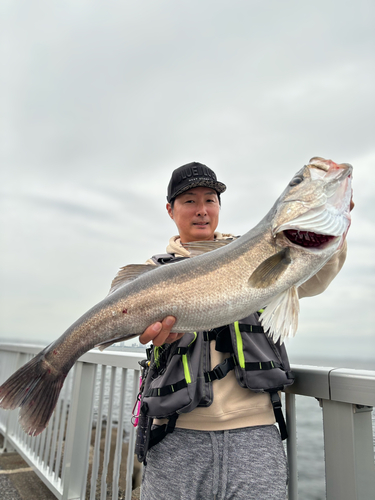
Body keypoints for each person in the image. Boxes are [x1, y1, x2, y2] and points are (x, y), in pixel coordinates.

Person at [133, 161, 349, 500]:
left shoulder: (258, 251)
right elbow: (142, 332)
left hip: (255, 432)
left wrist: (334, 229)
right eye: (189, 200)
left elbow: (315, 278)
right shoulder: (152, 273)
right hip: (176, 434)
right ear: (170, 210)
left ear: (219, 207)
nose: (201, 210)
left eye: (210, 199)